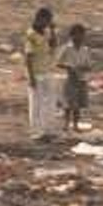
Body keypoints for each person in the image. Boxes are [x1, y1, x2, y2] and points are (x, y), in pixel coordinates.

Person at [24, 8, 59, 141]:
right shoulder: (31, 34)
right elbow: (28, 57)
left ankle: (47, 129)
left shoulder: (45, 32)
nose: (49, 23)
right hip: (36, 73)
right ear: (40, 19)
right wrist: (31, 77)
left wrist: (53, 31)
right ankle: (36, 131)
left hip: (47, 71)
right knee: (36, 103)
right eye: (47, 20)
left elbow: (53, 45)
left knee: (49, 102)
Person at [56, 24, 92, 133]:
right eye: (76, 35)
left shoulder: (85, 50)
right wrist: (69, 67)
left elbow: (89, 66)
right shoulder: (67, 48)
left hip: (81, 79)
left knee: (78, 105)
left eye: (81, 34)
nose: (79, 37)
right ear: (71, 36)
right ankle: (66, 124)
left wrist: (82, 68)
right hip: (70, 79)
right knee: (69, 104)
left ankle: (75, 125)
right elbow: (58, 63)